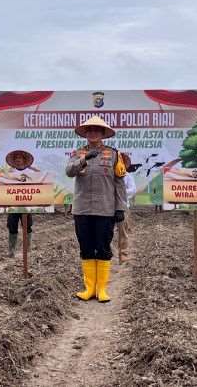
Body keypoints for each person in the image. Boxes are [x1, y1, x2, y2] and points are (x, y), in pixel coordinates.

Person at [66, 116, 127, 303]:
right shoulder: (77, 153)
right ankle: (89, 288)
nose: (93, 133)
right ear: (85, 133)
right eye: (90, 130)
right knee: (85, 247)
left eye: (97, 130)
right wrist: (84, 160)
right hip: (82, 209)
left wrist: (120, 208)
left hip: (105, 209)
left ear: (102, 134)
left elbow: (119, 183)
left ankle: (101, 289)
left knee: (102, 247)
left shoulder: (114, 154)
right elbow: (69, 172)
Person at [5, 150, 36, 257]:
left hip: (27, 205)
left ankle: (27, 249)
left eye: (20, 157)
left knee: (27, 226)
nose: (18, 159)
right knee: (12, 226)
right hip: (13, 205)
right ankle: (11, 250)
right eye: (16, 158)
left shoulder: (31, 173)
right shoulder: (10, 173)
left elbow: (41, 180)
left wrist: (33, 169)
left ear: (24, 160)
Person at [115, 152, 137, 262]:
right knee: (105, 231)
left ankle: (123, 253)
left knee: (122, 231)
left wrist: (120, 192)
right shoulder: (108, 175)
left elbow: (132, 190)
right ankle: (108, 254)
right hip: (107, 206)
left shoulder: (127, 176)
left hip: (122, 206)